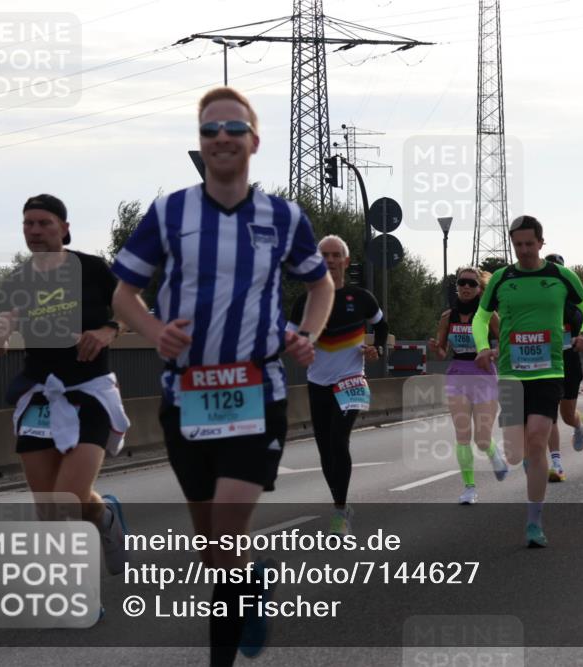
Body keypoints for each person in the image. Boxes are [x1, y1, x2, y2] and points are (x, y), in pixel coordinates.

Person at [110, 87, 335, 664]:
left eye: (233, 128)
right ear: (200, 145)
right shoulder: (170, 213)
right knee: (214, 547)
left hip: (255, 390)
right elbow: (124, 293)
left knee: (230, 526)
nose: (222, 139)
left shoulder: (283, 218)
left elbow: (320, 283)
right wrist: (154, 329)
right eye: (210, 131)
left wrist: (305, 335)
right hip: (186, 395)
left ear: (254, 141)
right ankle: (251, 585)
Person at [0, 194, 131, 599]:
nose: (35, 231)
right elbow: (1, 324)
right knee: (50, 508)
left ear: (64, 228)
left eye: (44, 223)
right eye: (28, 224)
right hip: (40, 397)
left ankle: (74, 596)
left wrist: (108, 331)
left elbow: (131, 309)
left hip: (90, 394)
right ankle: (104, 519)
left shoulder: (93, 268)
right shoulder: (18, 278)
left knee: (66, 499)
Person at [471, 216, 583, 548]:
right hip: (511, 372)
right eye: (518, 245)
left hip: (549, 371)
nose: (524, 250)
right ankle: (532, 465)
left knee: (538, 438)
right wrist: (483, 347)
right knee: (519, 451)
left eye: (530, 244)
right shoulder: (502, 278)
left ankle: (534, 520)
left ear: (542, 243)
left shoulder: (559, 275)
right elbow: (481, 317)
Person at [288, 235, 388, 532]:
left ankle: (340, 512)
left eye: (335, 255)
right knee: (324, 449)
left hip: (351, 381)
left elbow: (381, 325)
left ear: (345, 262)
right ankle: (340, 504)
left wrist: (377, 348)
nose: (329, 260)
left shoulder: (361, 298)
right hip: (317, 383)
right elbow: (290, 339)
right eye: (323, 255)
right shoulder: (304, 302)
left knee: (337, 440)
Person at [428, 266, 507, 504]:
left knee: (482, 438)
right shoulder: (447, 317)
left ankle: (495, 455)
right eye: (462, 282)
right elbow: (443, 352)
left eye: (472, 284)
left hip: (483, 374)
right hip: (457, 374)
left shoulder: (489, 315)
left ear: (480, 289)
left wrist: (492, 352)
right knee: (463, 435)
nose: (466, 287)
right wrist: (437, 349)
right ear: (457, 285)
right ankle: (469, 488)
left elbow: (506, 341)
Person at [544, 253, 583, 482]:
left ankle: (579, 423)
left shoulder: (573, 304)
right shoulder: (536, 301)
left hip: (569, 362)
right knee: (548, 414)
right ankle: (557, 463)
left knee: (566, 415)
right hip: (545, 362)